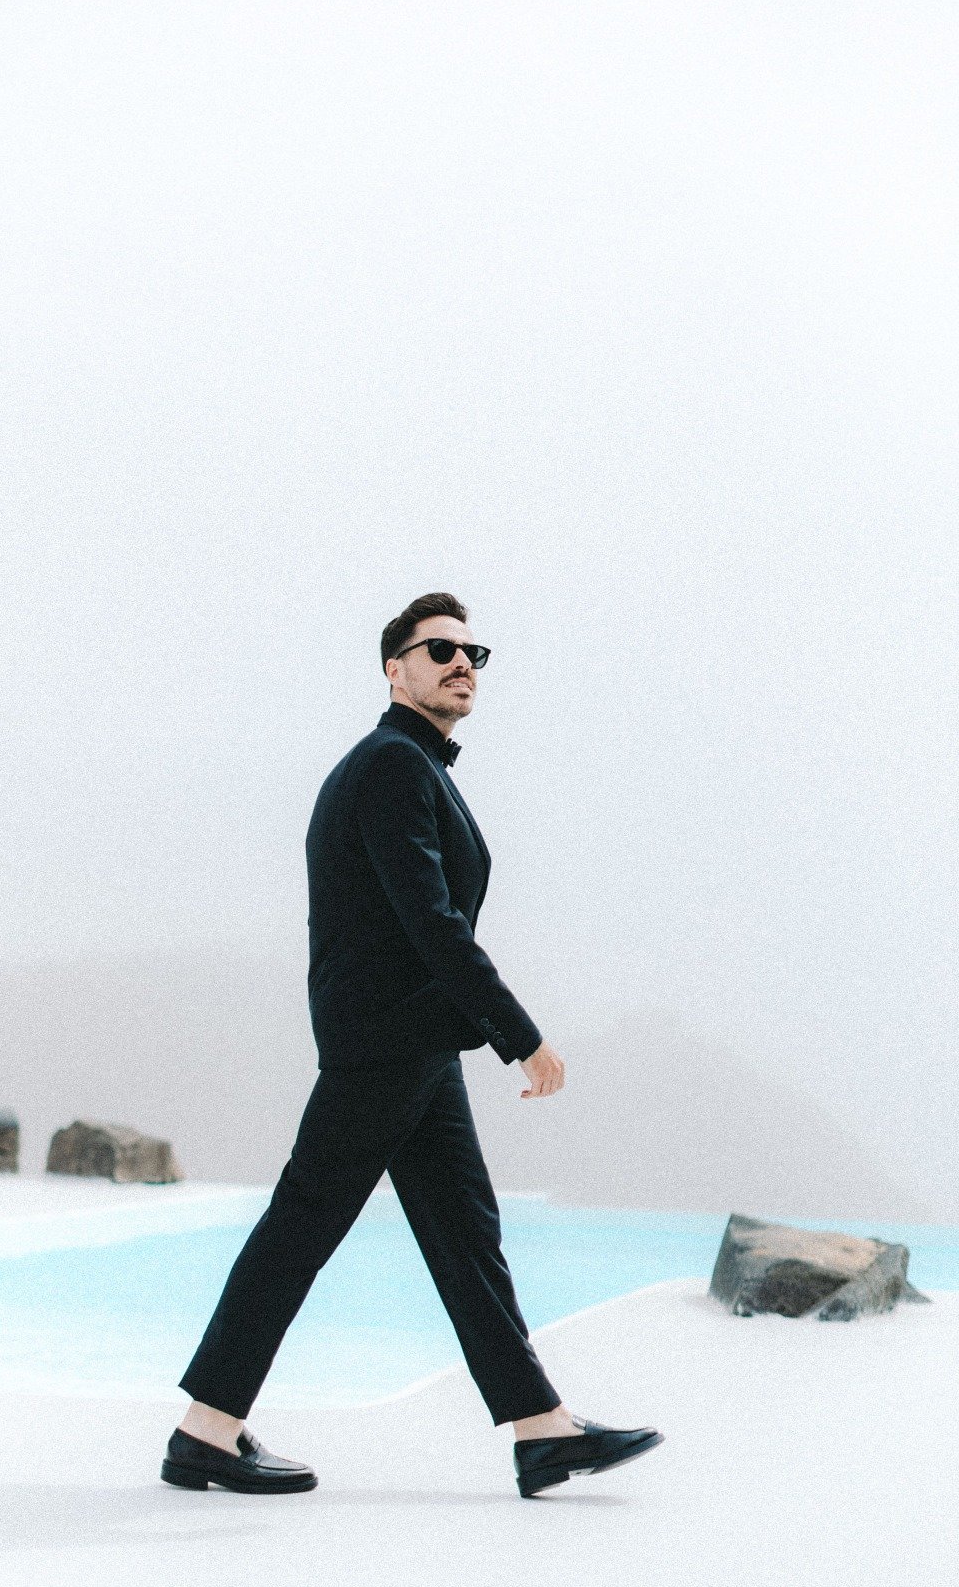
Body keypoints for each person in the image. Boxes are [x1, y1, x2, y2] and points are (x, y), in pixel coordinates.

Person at [162, 592, 663, 1499]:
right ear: (394, 669)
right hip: (387, 1044)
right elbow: (430, 923)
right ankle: (206, 1428)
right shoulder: (393, 766)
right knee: (303, 1223)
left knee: (465, 1235)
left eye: (474, 651)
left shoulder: (413, 766)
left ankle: (540, 1429)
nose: (461, 662)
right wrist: (521, 1036)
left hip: (413, 1044)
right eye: (439, 649)